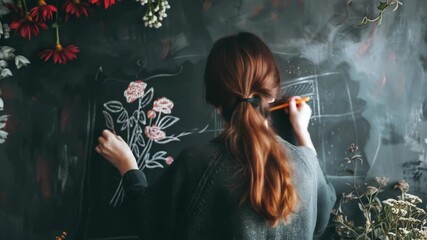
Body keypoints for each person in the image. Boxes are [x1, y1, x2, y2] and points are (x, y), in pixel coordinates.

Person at [96, 32, 336, 240]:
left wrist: (127, 165)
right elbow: (323, 215)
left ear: (215, 103)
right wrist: (302, 132)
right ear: (271, 95)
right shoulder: (306, 165)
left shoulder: (196, 165)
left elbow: (150, 226)